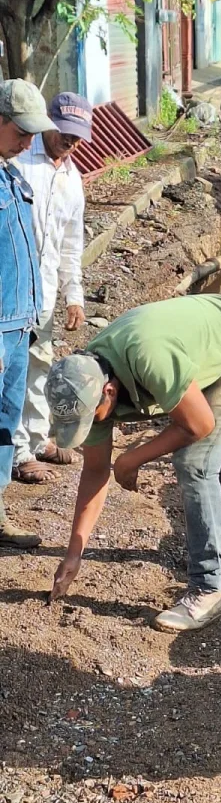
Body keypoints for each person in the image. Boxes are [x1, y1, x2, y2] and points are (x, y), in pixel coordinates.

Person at [44, 295, 221, 632]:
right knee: (220, 449)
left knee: (195, 460)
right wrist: (74, 552)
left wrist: (131, 459)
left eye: (89, 418)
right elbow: (95, 470)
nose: (89, 426)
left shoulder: (147, 356)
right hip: (210, 343)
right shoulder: (84, 382)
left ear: (109, 392)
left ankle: (208, 590)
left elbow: (199, 425)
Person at [12, 92, 92, 483]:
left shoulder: (73, 181)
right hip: (10, 289)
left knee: (40, 364)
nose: (70, 141)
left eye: (77, 136)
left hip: (41, 293)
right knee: (13, 370)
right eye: (65, 132)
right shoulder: (20, 163)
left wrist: (73, 295)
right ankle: (19, 451)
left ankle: (37, 437)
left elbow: (70, 244)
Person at [0, 80, 53, 548]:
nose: (29, 143)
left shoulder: (10, 174)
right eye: (21, 132)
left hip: (19, 325)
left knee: (4, 424)